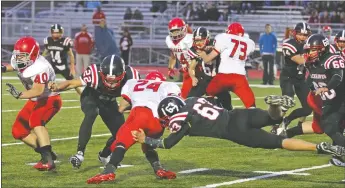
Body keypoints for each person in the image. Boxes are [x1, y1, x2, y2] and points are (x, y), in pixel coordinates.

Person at [132, 96, 345, 160]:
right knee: (271, 119)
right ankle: (275, 107)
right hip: (238, 114)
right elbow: (213, 99)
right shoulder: (191, 100)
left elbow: (168, 143)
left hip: (234, 132)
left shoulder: (180, 119)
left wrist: (146, 141)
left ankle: (318, 148)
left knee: (279, 142)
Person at [87, 72, 180, 184]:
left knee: (121, 141)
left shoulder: (133, 83)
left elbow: (121, 108)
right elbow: (175, 105)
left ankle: (109, 171)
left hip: (140, 114)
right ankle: (158, 169)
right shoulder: (168, 85)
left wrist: (133, 106)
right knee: (147, 144)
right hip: (157, 123)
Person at [49, 54, 140, 168]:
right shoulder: (94, 73)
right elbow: (72, 83)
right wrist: (57, 87)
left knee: (120, 132)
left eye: (114, 81)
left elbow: (137, 98)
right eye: (107, 80)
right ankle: (80, 153)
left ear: (122, 75)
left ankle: (104, 155)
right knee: (92, 112)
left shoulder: (132, 76)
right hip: (91, 97)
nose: (111, 84)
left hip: (109, 101)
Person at [283, 34, 345, 166]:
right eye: (308, 50)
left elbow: (337, 77)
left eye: (313, 50)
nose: (309, 53)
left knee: (331, 127)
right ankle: (338, 156)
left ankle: (338, 156)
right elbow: (311, 78)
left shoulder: (332, 59)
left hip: (341, 99)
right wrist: (313, 87)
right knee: (331, 128)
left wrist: (327, 87)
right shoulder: (312, 63)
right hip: (331, 102)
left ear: (322, 49)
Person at [2, 37, 62, 171]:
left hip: (50, 98)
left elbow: (38, 90)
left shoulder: (41, 67)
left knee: (35, 122)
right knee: (18, 131)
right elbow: (15, 65)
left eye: (22, 56)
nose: (19, 59)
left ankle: (49, 161)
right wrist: (3, 68)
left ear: (33, 55)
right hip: (35, 99)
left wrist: (20, 95)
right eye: (17, 56)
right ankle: (47, 154)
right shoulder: (24, 60)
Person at [197, 22, 256, 109]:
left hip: (223, 76)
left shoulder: (224, 38)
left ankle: (213, 114)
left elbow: (208, 59)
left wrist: (202, 54)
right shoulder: (249, 43)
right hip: (240, 78)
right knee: (251, 104)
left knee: (209, 92)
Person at [277, 22, 313, 133]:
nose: (303, 37)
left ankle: (287, 120)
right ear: (295, 33)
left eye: (305, 35)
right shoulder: (289, 43)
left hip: (301, 78)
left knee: (308, 108)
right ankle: (276, 124)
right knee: (288, 100)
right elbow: (300, 60)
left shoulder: (310, 44)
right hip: (288, 77)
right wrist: (315, 56)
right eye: (300, 34)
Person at [187, 27, 232, 110]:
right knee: (189, 101)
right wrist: (193, 78)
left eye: (201, 40)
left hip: (217, 80)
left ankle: (228, 117)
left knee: (227, 103)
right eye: (197, 40)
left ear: (207, 39)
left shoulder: (216, 46)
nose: (199, 43)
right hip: (202, 80)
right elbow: (191, 67)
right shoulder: (194, 50)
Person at [42, 24, 82, 95]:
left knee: (73, 82)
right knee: (44, 81)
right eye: (54, 32)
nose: (56, 34)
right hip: (52, 66)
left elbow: (71, 55)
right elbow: (45, 52)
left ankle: (82, 95)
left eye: (58, 32)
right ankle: (45, 95)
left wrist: (72, 68)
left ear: (61, 32)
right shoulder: (48, 40)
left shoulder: (65, 41)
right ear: (51, 32)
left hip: (63, 66)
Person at [166, 17, 194, 99]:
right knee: (186, 95)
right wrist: (170, 68)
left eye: (177, 31)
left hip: (195, 68)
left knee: (185, 95)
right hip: (186, 71)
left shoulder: (189, 39)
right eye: (173, 31)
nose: (175, 34)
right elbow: (173, 54)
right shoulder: (169, 40)